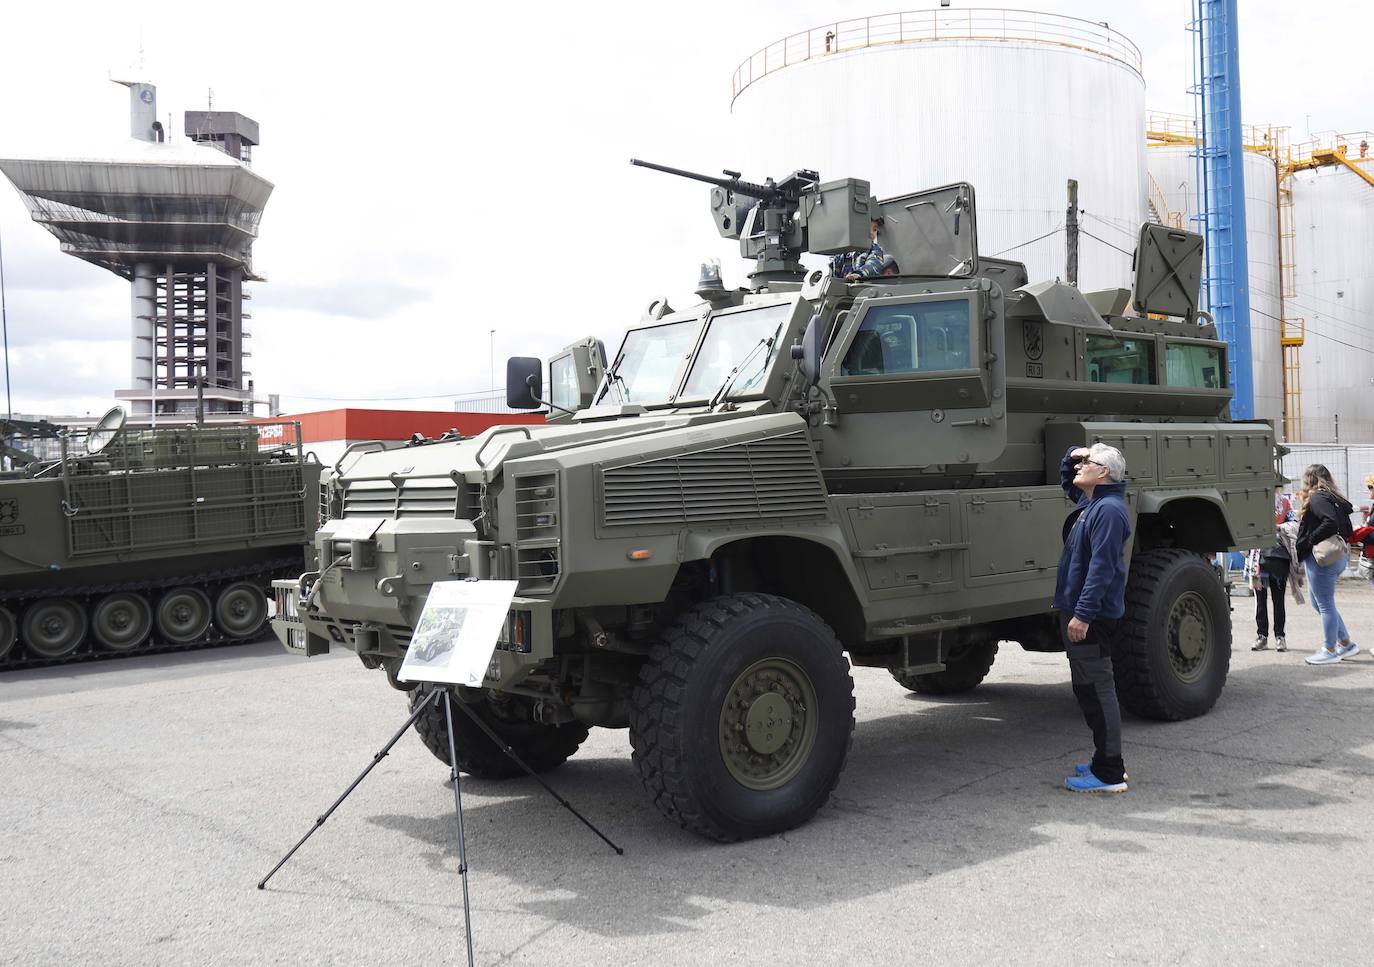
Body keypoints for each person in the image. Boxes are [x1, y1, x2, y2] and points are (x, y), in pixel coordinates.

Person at [1053, 442, 1132, 793]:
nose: (1080, 466)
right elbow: (1067, 478)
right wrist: (1074, 451)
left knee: (1097, 690)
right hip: (1087, 612)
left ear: (1104, 473)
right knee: (1089, 688)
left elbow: (1101, 569)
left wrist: (1082, 615)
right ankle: (1105, 759)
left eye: (1089, 462)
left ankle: (1109, 772)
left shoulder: (1109, 510)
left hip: (1094, 617)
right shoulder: (1094, 503)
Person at [1294, 464, 1357, 665]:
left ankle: (1330, 649)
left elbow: (1329, 522)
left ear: (1309, 479)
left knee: (1325, 604)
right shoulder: (1332, 497)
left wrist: (1310, 539)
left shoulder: (1318, 498)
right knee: (1318, 602)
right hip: (1337, 556)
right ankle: (1346, 643)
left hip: (1323, 558)